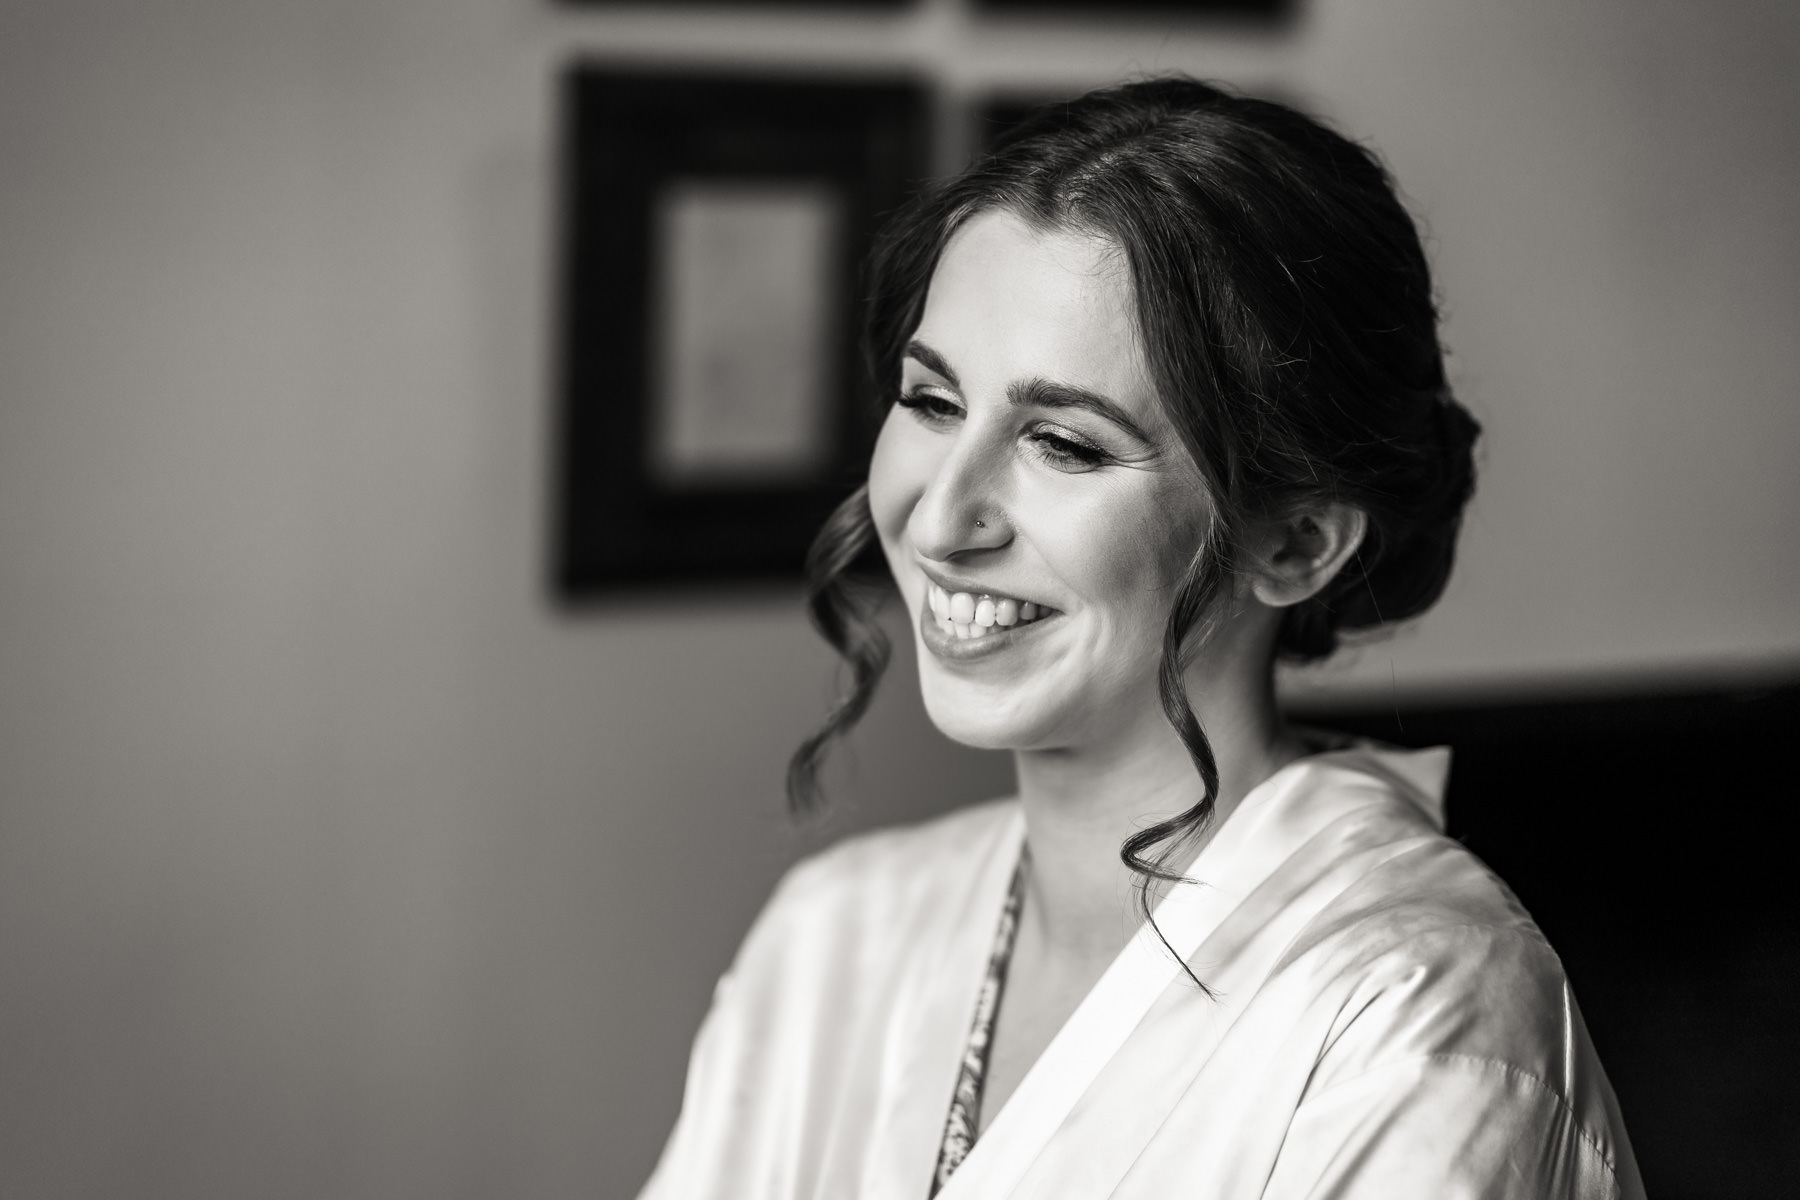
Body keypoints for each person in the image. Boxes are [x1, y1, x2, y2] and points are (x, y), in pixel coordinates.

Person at [638, 77, 1642, 1199]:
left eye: (1063, 443)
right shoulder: (832, 939)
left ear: (1297, 543)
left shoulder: (1415, 1016)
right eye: (931, 402)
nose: (940, 515)